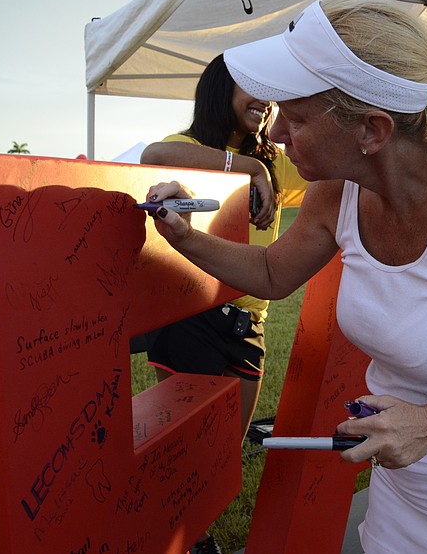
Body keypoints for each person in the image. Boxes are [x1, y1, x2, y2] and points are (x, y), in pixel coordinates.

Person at [145, 0, 427, 552]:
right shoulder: (337, 191)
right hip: (401, 490)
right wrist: (185, 237)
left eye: (297, 117)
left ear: (373, 131)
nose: (276, 134)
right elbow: (271, 272)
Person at [138, 54, 308, 554]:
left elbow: (329, 175)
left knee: (222, 452)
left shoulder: (275, 159)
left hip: (250, 323)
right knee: (186, 449)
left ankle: (192, 530)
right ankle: (190, 541)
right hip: (192, 317)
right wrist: (249, 167)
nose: (266, 101)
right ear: (221, 91)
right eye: (253, 88)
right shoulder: (192, 149)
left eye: (270, 91)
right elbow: (153, 155)